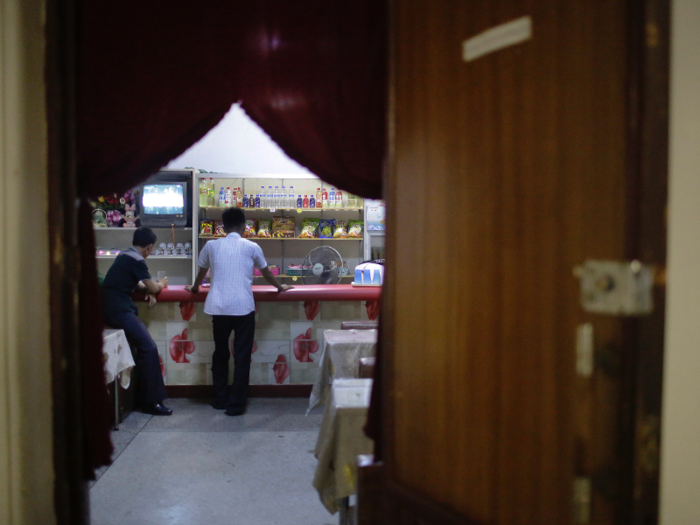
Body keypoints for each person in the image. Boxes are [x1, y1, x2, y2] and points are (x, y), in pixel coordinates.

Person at [186, 207, 292, 415]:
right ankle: (236, 405)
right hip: (243, 308)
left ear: (223, 226)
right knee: (242, 356)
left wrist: (195, 288)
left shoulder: (211, 245)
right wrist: (280, 287)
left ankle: (219, 399)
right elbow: (267, 274)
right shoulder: (252, 246)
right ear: (244, 226)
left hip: (218, 307)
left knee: (221, 352)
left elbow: (201, 273)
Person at [102, 227, 172, 416]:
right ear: (149, 248)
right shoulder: (137, 260)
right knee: (148, 347)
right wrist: (161, 285)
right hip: (118, 310)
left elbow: (140, 284)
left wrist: (148, 289)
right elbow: (153, 286)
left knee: (143, 347)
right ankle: (151, 402)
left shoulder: (126, 255)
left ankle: (144, 398)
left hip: (111, 308)